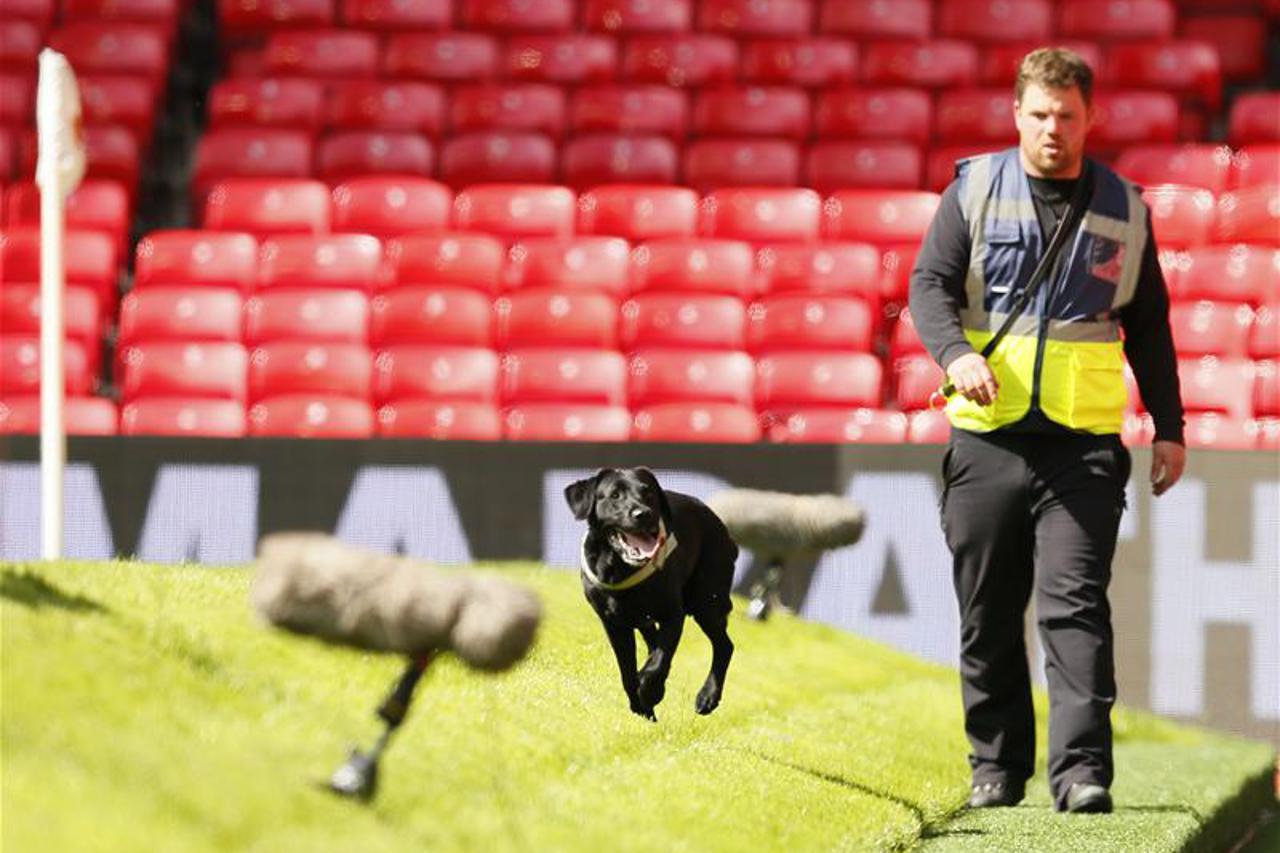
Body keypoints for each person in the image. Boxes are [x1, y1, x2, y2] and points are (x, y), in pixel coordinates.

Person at [908, 47, 1187, 815]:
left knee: (1075, 607)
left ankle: (1081, 774)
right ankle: (996, 768)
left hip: (1084, 445)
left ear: (1090, 117)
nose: (1053, 129)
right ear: (1016, 115)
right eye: (1039, 114)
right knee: (988, 610)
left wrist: (1171, 425)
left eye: (1067, 115)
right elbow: (928, 285)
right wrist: (956, 354)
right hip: (986, 437)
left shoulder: (1126, 208)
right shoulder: (972, 189)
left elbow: (1151, 326)